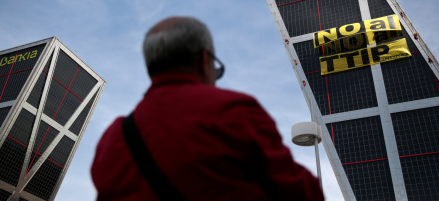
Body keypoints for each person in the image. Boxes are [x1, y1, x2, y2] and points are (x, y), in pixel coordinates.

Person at [91, 17, 324, 200]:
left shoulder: (112, 138)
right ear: (204, 60)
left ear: (153, 67)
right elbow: (301, 193)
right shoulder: (234, 111)